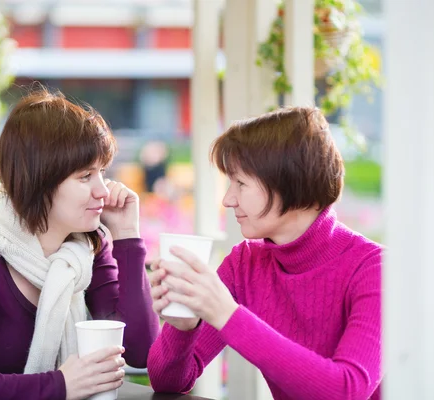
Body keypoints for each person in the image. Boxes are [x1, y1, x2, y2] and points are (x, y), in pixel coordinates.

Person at [0, 89, 160, 400]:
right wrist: (60, 386)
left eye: (102, 173)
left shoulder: (86, 248)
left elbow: (139, 351)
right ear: (41, 179)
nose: (103, 191)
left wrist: (128, 237)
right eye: (85, 177)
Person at [147, 106, 382, 400]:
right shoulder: (244, 264)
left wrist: (226, 314)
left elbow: (347, 390)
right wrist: (182, 326)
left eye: (241, 183)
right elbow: (167, 383)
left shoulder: (374, 268)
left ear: (290, 180)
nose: (227, 199)